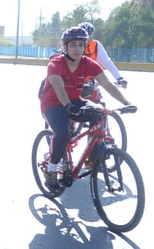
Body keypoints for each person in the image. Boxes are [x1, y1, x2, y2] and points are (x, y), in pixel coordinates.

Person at [39, 26, 135, 189]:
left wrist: (127, 103)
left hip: (75, 100)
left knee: (101, 113)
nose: (77, 49)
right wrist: (68, 105)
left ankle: (94, 156)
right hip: (53, 103)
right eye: (73, 45)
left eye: (81, 45)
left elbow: (107, 84)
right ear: (65, 47)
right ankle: (51, 170)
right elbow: (58, 88)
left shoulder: (88, 63)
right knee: (62, 134)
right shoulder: (55, 64)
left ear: (85, 47)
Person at [77, 22, 128, 99]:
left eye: (88, 34)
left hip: (90, 82)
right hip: (73, 81)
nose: (86, 37)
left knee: (99, 103)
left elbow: (107, 62)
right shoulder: (71, 44)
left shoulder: (96, 45)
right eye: (83, 34)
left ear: (92, 35)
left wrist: (119, 78)